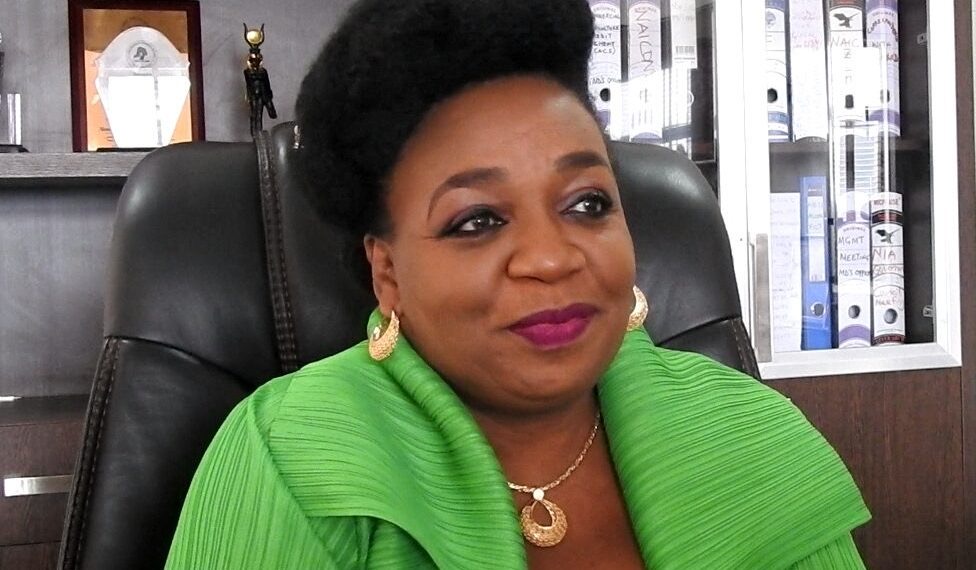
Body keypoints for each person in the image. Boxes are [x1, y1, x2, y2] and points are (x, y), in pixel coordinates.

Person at [166, 0, 870, 568]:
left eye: (587, 204)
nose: (551, 259)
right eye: (477, 221)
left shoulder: (752, 434)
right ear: (388, 273)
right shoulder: (290, 457)